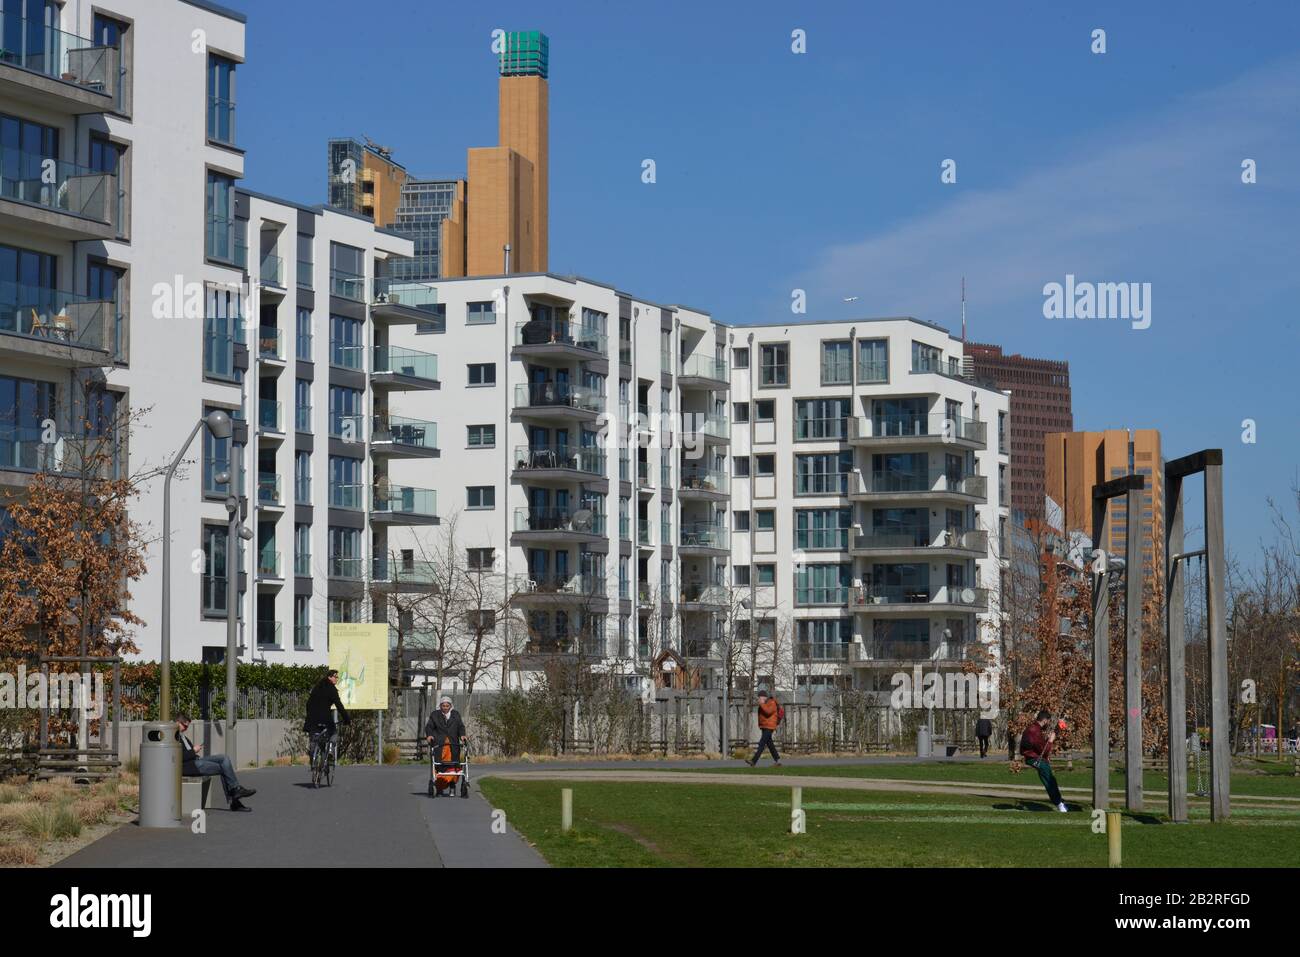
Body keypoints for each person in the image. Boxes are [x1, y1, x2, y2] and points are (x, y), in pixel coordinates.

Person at [175, 713, 255, 812]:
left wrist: (194, 751)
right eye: (184, 725)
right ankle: (235, 799)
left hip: (195, 760)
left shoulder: (182, 736)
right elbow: (178, 757)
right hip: (189, 766)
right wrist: (193, 750)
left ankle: (236, 790)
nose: (186, 728)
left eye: (187, 726)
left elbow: (188, 753)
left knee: (224, 758)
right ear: (177, 722)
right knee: (224, 768)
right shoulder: (173, 737)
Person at [1020, 710, 1068, 812]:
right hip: (1034, 758)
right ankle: (1059, 804)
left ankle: (1059, 801)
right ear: (1045, 720)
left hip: (1036, 757)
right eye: (1049, 721)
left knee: (1051, 779)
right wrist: (1050, 741)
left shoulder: (1034, 728)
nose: (1049, 724)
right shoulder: (1034, 731)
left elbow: (1039, 746)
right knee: (1049, 780)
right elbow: (1043, 750)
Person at [304, 669, 350, 762]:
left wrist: (309, 714)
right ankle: (329, 751)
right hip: (325, 717)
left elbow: (308, 703)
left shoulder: (317, 687)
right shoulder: (331, 689)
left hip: (312, 718)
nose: (337, 679)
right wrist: (346, 718)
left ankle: (313, 753)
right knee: (333, 732)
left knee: (314, 734)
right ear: (329, 677)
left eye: (337, 677)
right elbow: (339, 705)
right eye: (335, 677)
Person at [425, 696, 467, 766]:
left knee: (454, 761)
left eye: (447, 706)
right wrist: (429, 735)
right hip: (439, 742)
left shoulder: (455, 714)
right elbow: (429, 726)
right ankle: (440, 774)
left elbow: (460, 726)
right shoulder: (435, 715)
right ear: (440, 706)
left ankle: (452, 774)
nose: (445, 708)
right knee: (439, 762)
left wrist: (462, 735)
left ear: (450, 706)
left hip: (453, 742)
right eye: (443, 706)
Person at [745, 689, 782, 767]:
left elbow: (768, 712)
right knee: (770, 744)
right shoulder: (765, 703)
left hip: (769, 726)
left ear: (764, 697)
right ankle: (778, 760)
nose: (758, 699)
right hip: (765, 726)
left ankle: (753, 761)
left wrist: (761, 704)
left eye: (759, 697)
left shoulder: (771, 702)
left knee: (762, 743)